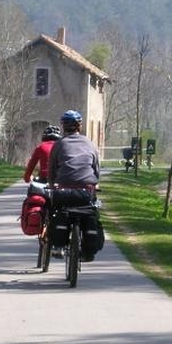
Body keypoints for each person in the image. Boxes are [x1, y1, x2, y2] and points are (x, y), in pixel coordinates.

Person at [47, 110, 102, 261]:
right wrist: (94, 184)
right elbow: (96, 170)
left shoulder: (59, 144)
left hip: (63, 192)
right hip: (85, 192)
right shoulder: (90, 144)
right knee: (89, 213)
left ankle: (57, 246)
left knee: (57, 212)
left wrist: (52, 185)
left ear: (63, 127)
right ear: (80, 126)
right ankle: (87, 250)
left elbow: (51, 169)